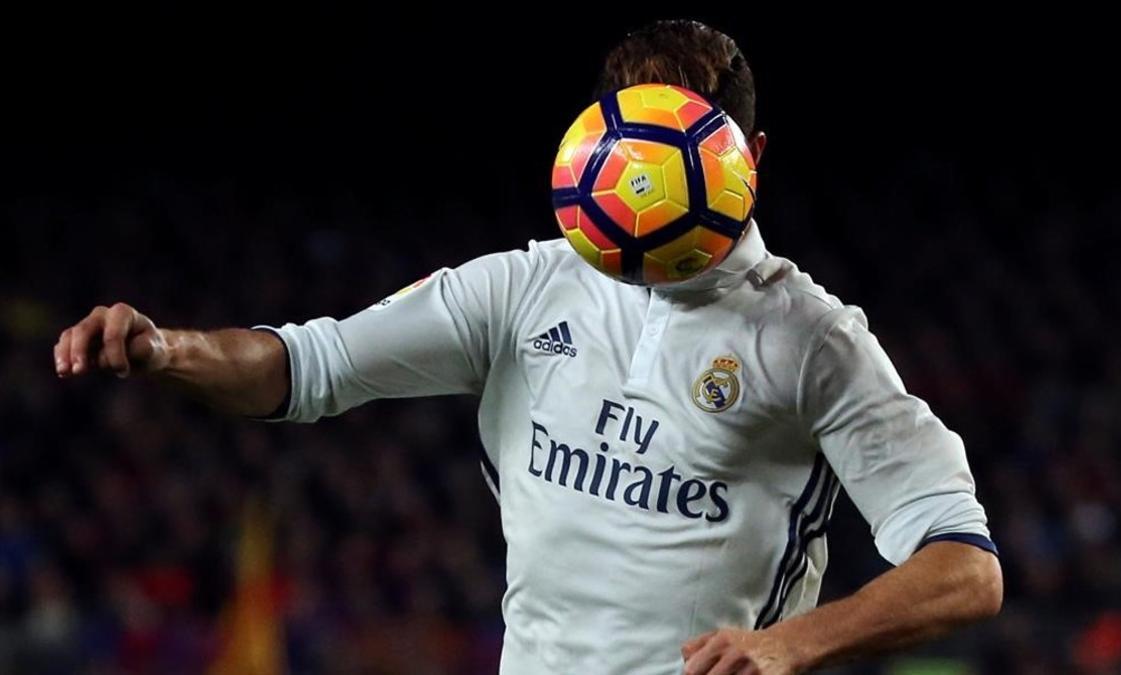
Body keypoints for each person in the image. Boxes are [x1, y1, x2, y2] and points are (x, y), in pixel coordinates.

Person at [53, 19, 1002, 675]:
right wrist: (165, 348)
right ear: (596, 144)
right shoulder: (521, 287)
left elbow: (965, 567)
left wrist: (796, 644)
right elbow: (309, 366)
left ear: (748, 157)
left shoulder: (813, 340)